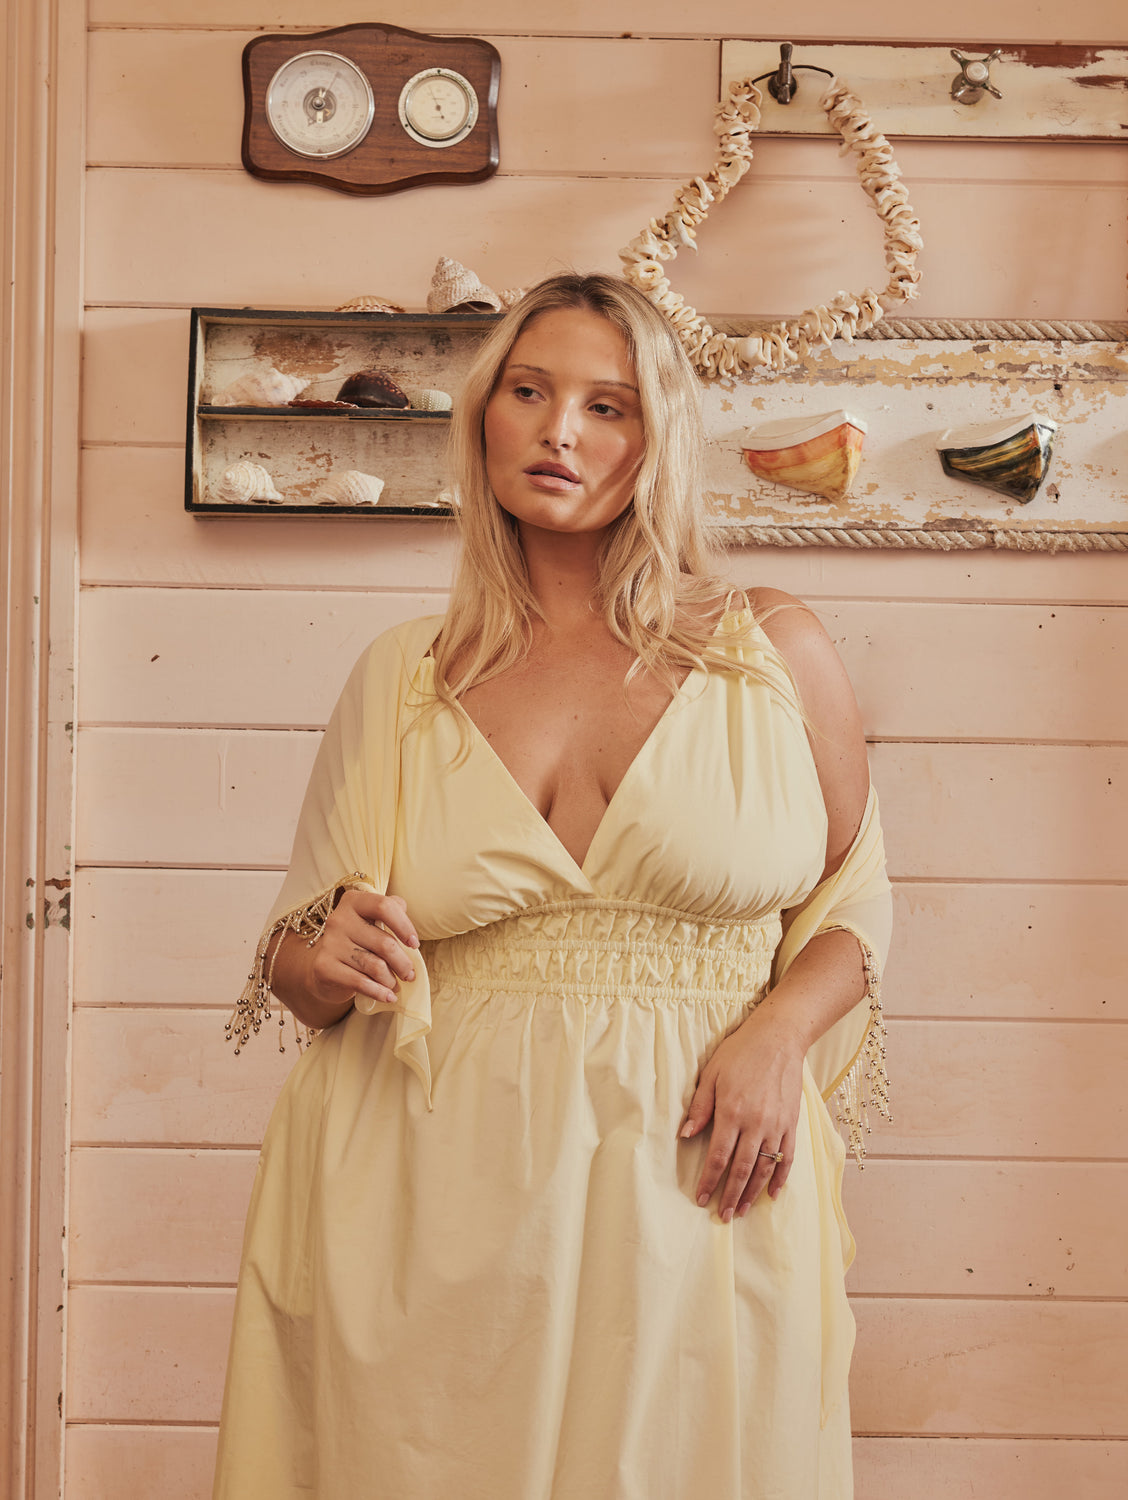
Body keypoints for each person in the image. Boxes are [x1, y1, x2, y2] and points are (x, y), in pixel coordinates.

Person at [213, 272, 892, 1500]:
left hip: (701, 1177)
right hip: (434, 1194)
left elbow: (851, 909)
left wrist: (780, 1034)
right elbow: (301, 967)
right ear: (485, 418)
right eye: (528, 392)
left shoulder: (772, 649)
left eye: (606, 405)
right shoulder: (402, 677)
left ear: (658, 437)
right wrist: (327, 955)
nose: (559, 431)